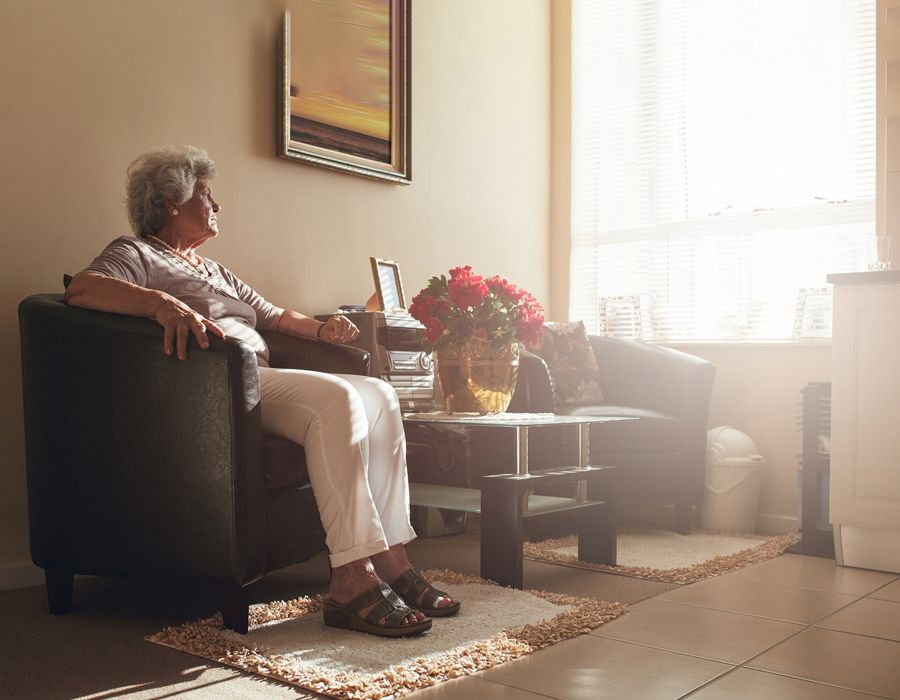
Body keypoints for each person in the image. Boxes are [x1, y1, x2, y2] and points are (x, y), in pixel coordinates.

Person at [65, 145, 458, 638]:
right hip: (213, 390)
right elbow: (82, 288)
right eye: (206, 194)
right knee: (337, 400)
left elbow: (272, 315)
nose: (217, 205)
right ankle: (351, 579)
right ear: (171, 202)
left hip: (256, 381)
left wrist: (322, 330)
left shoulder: (214, 270)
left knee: (379, 393)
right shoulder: (136, 253)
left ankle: (392, 558)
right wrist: (161, 303)